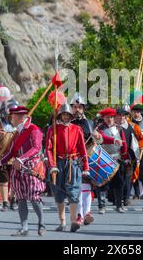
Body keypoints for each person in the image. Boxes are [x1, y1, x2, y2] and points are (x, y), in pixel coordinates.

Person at [0, 106, 46, 236]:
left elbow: (36, 148)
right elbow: (11, 151)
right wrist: (0, 161)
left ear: (20, 117)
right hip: (17, 168)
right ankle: (24, 227)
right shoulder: (17, 132)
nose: (10, 119)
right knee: (20, 198)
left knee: (34, 196)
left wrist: (21, 159)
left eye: (12, 116)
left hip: (31, 167)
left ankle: (41, 223)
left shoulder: (34, 129)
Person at [46, 103, 90, 232]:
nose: (65, 117)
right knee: (58, 192)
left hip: (73, 164)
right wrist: (52, 165)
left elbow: (82, 149)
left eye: (68, 115)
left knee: (74, 192)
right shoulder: (52, 129)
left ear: (71, 116)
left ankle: (73, 221)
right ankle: (62, 222)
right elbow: (48, 149)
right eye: (63, 115)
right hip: (58, 163)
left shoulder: (77, 129)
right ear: (60, 116)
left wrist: (86, 166)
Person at [96, 107, 129, 213]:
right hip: (104, 159)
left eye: (111, 117)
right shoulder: (99, 129)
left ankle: (119, 205)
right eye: (107, 117)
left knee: (119, 182)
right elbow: (102, 138)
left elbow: (124, 144)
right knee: (102, 183)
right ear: (104, 118)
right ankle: (102, 206)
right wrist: (113, 140)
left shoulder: (119, 129)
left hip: (117, 159)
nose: (110, 119)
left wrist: (125, 157)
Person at [70, 93, 95, 225]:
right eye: (75, 107)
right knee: (77, 188)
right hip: (73, 158)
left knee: (87, 186)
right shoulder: (67, 122)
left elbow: (96, 140)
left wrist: (99, 137)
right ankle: (79, 215)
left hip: (87, 158)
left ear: (83, 108)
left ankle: (87, 213)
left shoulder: (90, 123)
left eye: (80, 107)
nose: (77, 110)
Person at [115, 105, 142, 207]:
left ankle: (126, 198)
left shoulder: (130, 127)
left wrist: (135, 157)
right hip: (115, 156)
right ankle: (118, 198)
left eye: (123, 115)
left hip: (128, 156)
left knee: (127, 178)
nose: (121, 117)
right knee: (118, 178)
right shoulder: (113, 127)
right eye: (119, 115)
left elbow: (134, 143)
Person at [129, 104, 143, 199]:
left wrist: (141, 146)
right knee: (134, 170)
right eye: (134, 111)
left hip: (142, 149)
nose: (136, 113)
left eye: (138, 112)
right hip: (131, 149)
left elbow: (142, 137)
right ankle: (136, 193)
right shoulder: (130, 122)